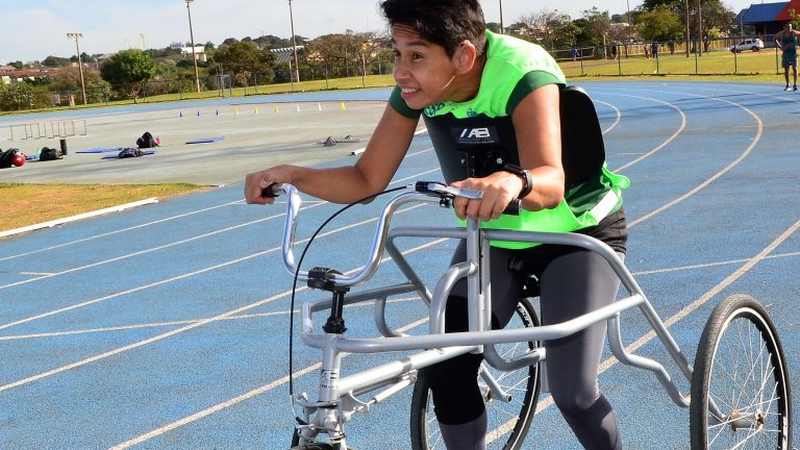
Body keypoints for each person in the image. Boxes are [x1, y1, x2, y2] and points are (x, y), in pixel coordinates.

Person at [244, 1, 629, 448]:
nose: (400, 72)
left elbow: (551, 182)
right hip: (496, 238)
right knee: (444, 367)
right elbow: (366, 179)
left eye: (416, 55)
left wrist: (512, 179)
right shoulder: (418, 91)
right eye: (396, 54)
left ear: (464, 56)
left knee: (573, 392)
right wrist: (293, 174)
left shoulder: (523, 73)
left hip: (576, 234)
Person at [776, 23, 800, 91]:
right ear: (785, 28)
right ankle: (788, 84)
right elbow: (775, 38)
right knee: (786, 69)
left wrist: (798, 42)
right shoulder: (781, 33)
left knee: (795, 68)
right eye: (788, 27)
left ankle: (795, 85)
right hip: (786, 54)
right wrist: (780, 47)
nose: (789, 28)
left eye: (790, 27)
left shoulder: (794, 32)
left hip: (793, 53)